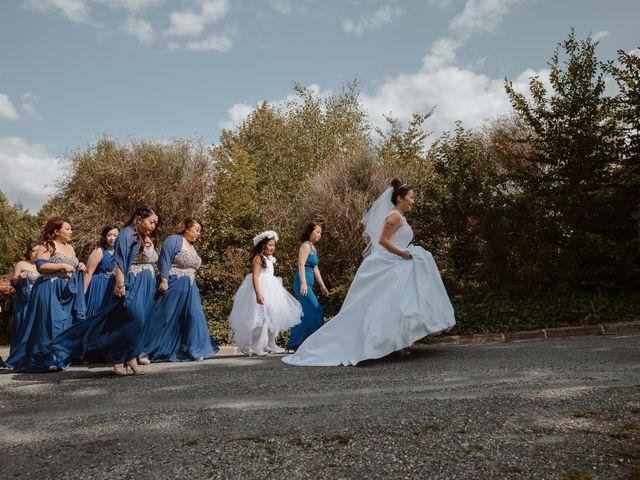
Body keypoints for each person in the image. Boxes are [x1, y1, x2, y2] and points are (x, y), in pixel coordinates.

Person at [282, 178, 456, 367]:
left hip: (399, 262)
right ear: (400, 198)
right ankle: (390, 341)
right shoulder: (394, 217)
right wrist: (403, 254)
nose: (413, 201)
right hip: (393, 261)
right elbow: (382, 240)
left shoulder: (400, 217)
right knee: (389, 304)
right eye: (411, 197)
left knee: (400, 303)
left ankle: (400, 339)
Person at [42, 206, 160, 376]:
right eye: (151, 221)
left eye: (155, 223)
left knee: (142, 322)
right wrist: (120, 284)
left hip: (147, 283)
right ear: (140, 219)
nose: (153, 225)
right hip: (132, 281)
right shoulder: (127, 233)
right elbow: (119, 261)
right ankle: (117, 357)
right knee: (132, 319)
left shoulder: (146, 237)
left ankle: (132, 356)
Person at [3, 218, 87, 371]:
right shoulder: (47, 246)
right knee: (50, 324)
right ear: (56, 231)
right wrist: (62, 265)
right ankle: (45, 359)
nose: (71, 232)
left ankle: (59, 357)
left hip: (66, 290)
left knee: (64, 324)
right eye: (67, 229)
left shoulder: (70, 248)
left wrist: (80, 265)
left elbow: (73, 265)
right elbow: (40, 266)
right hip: (50, 287)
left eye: (70, 229)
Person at [142, 217, 219, 362]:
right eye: (197, 230)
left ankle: (191, 350)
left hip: (190, 287)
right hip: (173, 283)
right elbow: (164, 259)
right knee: (165, 316)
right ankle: (143, 350)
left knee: (194, 316)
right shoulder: (174, 240)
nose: (198, 234)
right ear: (187, 228)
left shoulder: (193, 247)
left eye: (200, 232)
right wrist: (164, 279)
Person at [229, 230, 302, 356]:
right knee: (260, 318)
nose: (272, 247)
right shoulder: (258, 258)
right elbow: (255, 277)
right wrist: (258, 294)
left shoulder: (270, 259)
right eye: (269, 245)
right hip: (261, 289)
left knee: (273, 315)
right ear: (263, 245)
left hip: (272, 289)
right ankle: (254, 346)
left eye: (274, 245)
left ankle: (271, 343)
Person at [285, 222, 329, 351]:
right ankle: (312, 342)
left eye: (320, 233)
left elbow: (315, 268)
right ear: (310, 232)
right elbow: (301, 264)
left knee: (304, 313)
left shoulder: (313, 248)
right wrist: (303, 283)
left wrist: (323, 286)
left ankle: (298, 344)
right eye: (316, 232)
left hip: (308, 284)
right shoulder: (305, 246)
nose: (319, 235)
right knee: (316, 310)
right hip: (302, 283)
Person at [1, 242, 40, 366]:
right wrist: (20, 277)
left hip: (38, 299)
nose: (36, 253)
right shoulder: (22, 264)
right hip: (23, 299)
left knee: (36, 327)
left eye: (38, 251)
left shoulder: (42, 264)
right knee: (23, 326)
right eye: (33, 251)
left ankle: (33, 356)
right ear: (28, 252)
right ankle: (19, 357)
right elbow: (13, 282)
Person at [83, 224, 119, 317]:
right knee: (95, 314)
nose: (112, 238)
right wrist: (82, 294)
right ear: (105, 237)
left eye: (115, 235)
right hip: (98, 286)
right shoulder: (99, 251)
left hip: (112, 286)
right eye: (109, 235)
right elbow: (88, 273)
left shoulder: (121, 253)